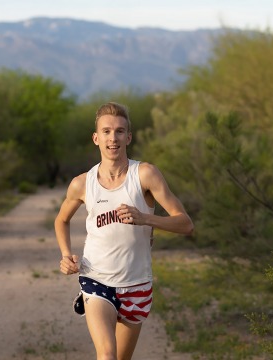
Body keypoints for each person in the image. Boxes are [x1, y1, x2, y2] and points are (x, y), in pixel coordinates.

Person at [54, 101, 194, 360]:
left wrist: (146, 219)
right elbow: (61, 220)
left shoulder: (145, 175)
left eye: (119, 131)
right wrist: (66, 255)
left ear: (128, 137)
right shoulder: (81, 184)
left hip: (137, 284)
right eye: (106, 131)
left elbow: (185, 223)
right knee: (107, 354)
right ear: (96, 138)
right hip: (96, 279)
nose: (113, 138)